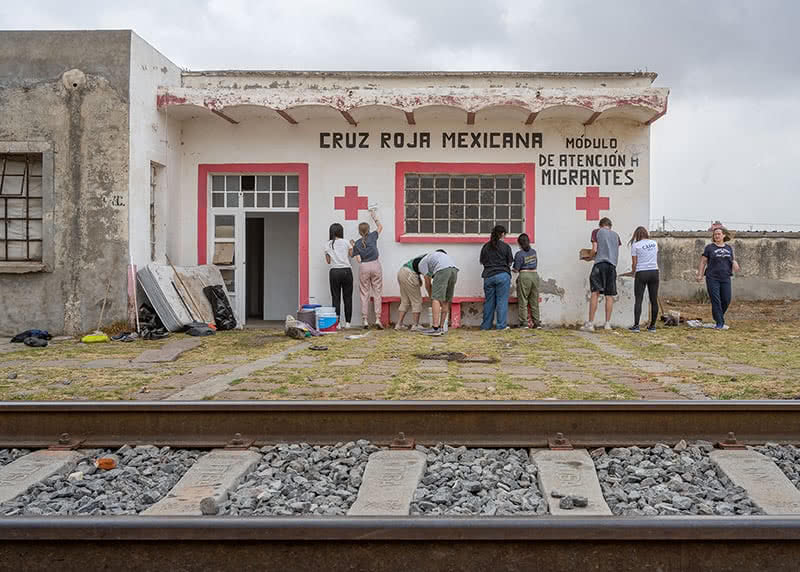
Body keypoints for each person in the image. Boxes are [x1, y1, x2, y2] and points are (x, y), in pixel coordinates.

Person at [581, 217, 621, 332]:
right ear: (610, 226)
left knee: (595, 293)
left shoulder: (596, 232)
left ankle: (591, 324)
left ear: (600, 225)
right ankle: (607, 324)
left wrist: (589, 257)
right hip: (612, 267)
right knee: (609, 296)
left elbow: (594, 249)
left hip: (600, 265)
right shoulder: (616, 236)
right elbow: (612, 250)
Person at [696, 226, 740, 330]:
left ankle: (717, 316)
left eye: (719, 234)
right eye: (715, 234)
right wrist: (700, 274)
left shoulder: (728, 248)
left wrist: (735, 263)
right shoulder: (709, 248)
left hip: (725, 278)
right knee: (716, 300)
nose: (717, 236)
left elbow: (731, 260)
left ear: (724, 235)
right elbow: (703, 262)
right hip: (712, 278)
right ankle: (720, 322)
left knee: (726, 299)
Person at [349, 211, 384, 329]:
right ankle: (378, 319)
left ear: (359, 231)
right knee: (377, 293)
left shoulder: (358, 243)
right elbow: (380, 227)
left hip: (364, 266)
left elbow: (358, 260)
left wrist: (353, 245)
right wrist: (374, 216)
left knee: (364, 293)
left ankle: (365, 320)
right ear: (368, 230)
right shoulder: (373, 236)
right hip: (375, 265)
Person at [418, 249, 458, 337]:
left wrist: (431, 296)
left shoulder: (422, 263)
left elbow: (427, 282)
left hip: (442, 270)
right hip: (454, 270)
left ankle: (435, 328)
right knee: (446, 300)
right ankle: (441, 327)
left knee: (436, 298)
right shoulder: (441, 257)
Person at [479, 225, 513, 330]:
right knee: (501, 301)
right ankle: (501, 326)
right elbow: (510, 262)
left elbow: (482, 261)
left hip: (488, 276)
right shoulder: (506, 247)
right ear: (502, 234)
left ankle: (486, 326)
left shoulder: (485, 246)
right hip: (503, 275)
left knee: (489, 302)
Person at [628, 226, 659, 333]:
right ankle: (652, 326)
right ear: (646, 233)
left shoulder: (635, 245)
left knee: (639, 299)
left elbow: (634, 263)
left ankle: (636, 326)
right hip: (654, 271)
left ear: (636, 235)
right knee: (654, 300)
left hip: (642, 272)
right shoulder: (654, 243)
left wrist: (633, 271)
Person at [324, 223, 352, 329]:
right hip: (346, 270)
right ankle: (348, 323)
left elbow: (328, 261)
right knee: (347, 297)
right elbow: (351, 254)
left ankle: (338, 323)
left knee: (336, 297)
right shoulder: (346, 242)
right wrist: (352, 246)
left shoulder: (328, 244)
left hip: (334, 271)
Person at [512, 233, 540, 329]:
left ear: (519, 243)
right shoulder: (534, 252)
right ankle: (537, 322)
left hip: (524, 275)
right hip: (535, 275)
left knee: (523, 300)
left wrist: (512, 269)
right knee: (534, 300)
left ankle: (524, 323)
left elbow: (516, 269)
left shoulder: (519, 254)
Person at [395, 255, 425, 331]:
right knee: (417, 300)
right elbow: (427, 279)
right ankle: (415, 325)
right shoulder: (430, 261)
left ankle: (399, 324)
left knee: (405, 300)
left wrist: (419, 279)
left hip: (401, 271)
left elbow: (417, 269)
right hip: (410, 274)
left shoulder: (422, 258)